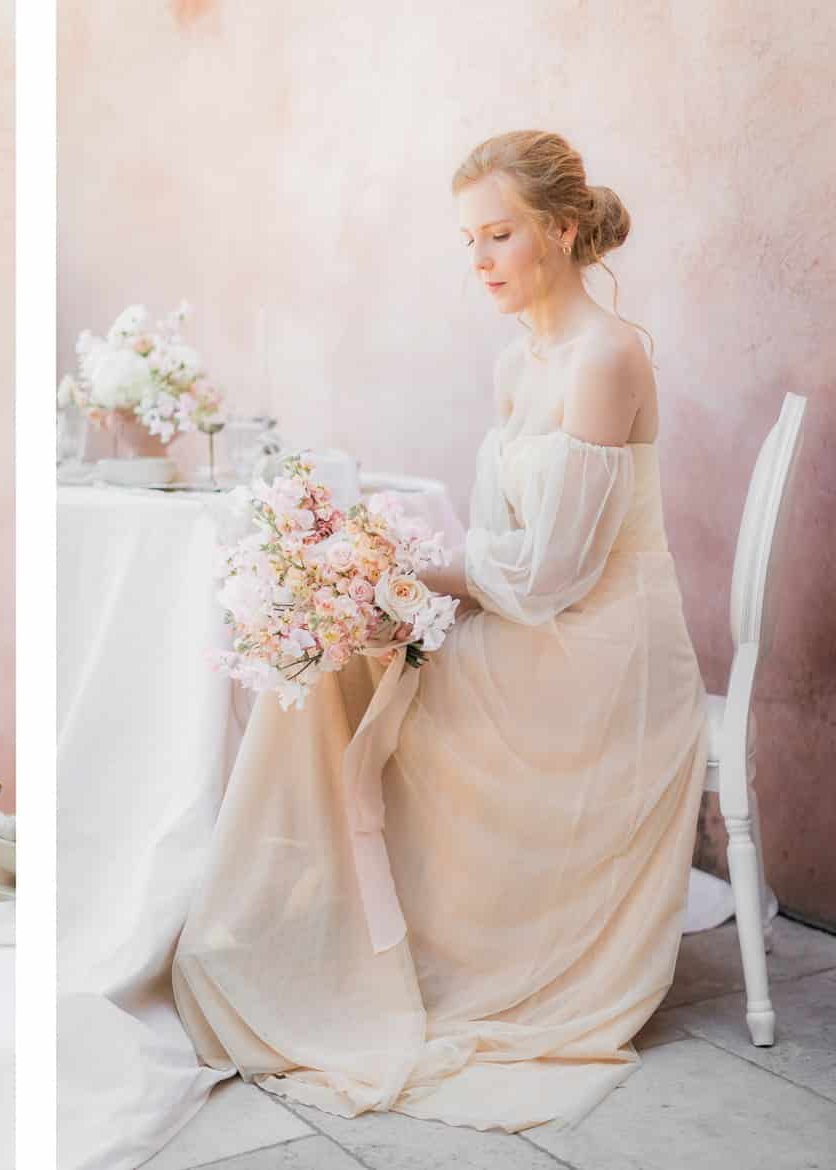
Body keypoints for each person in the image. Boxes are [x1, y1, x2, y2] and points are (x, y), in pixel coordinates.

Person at [171, 130, 710, 1133]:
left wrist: (396, 574)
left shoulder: (605, 358)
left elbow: (553, 578)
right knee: (331, 660)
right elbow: (504, 547)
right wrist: (377, 592)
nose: (481, 262)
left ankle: (381, 943)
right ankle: (319, 932)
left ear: (560, 228)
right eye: (468, 240)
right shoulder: (518, 365)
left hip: (599, 657)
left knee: (365, 667)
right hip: (535, 621)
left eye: (498, 233)